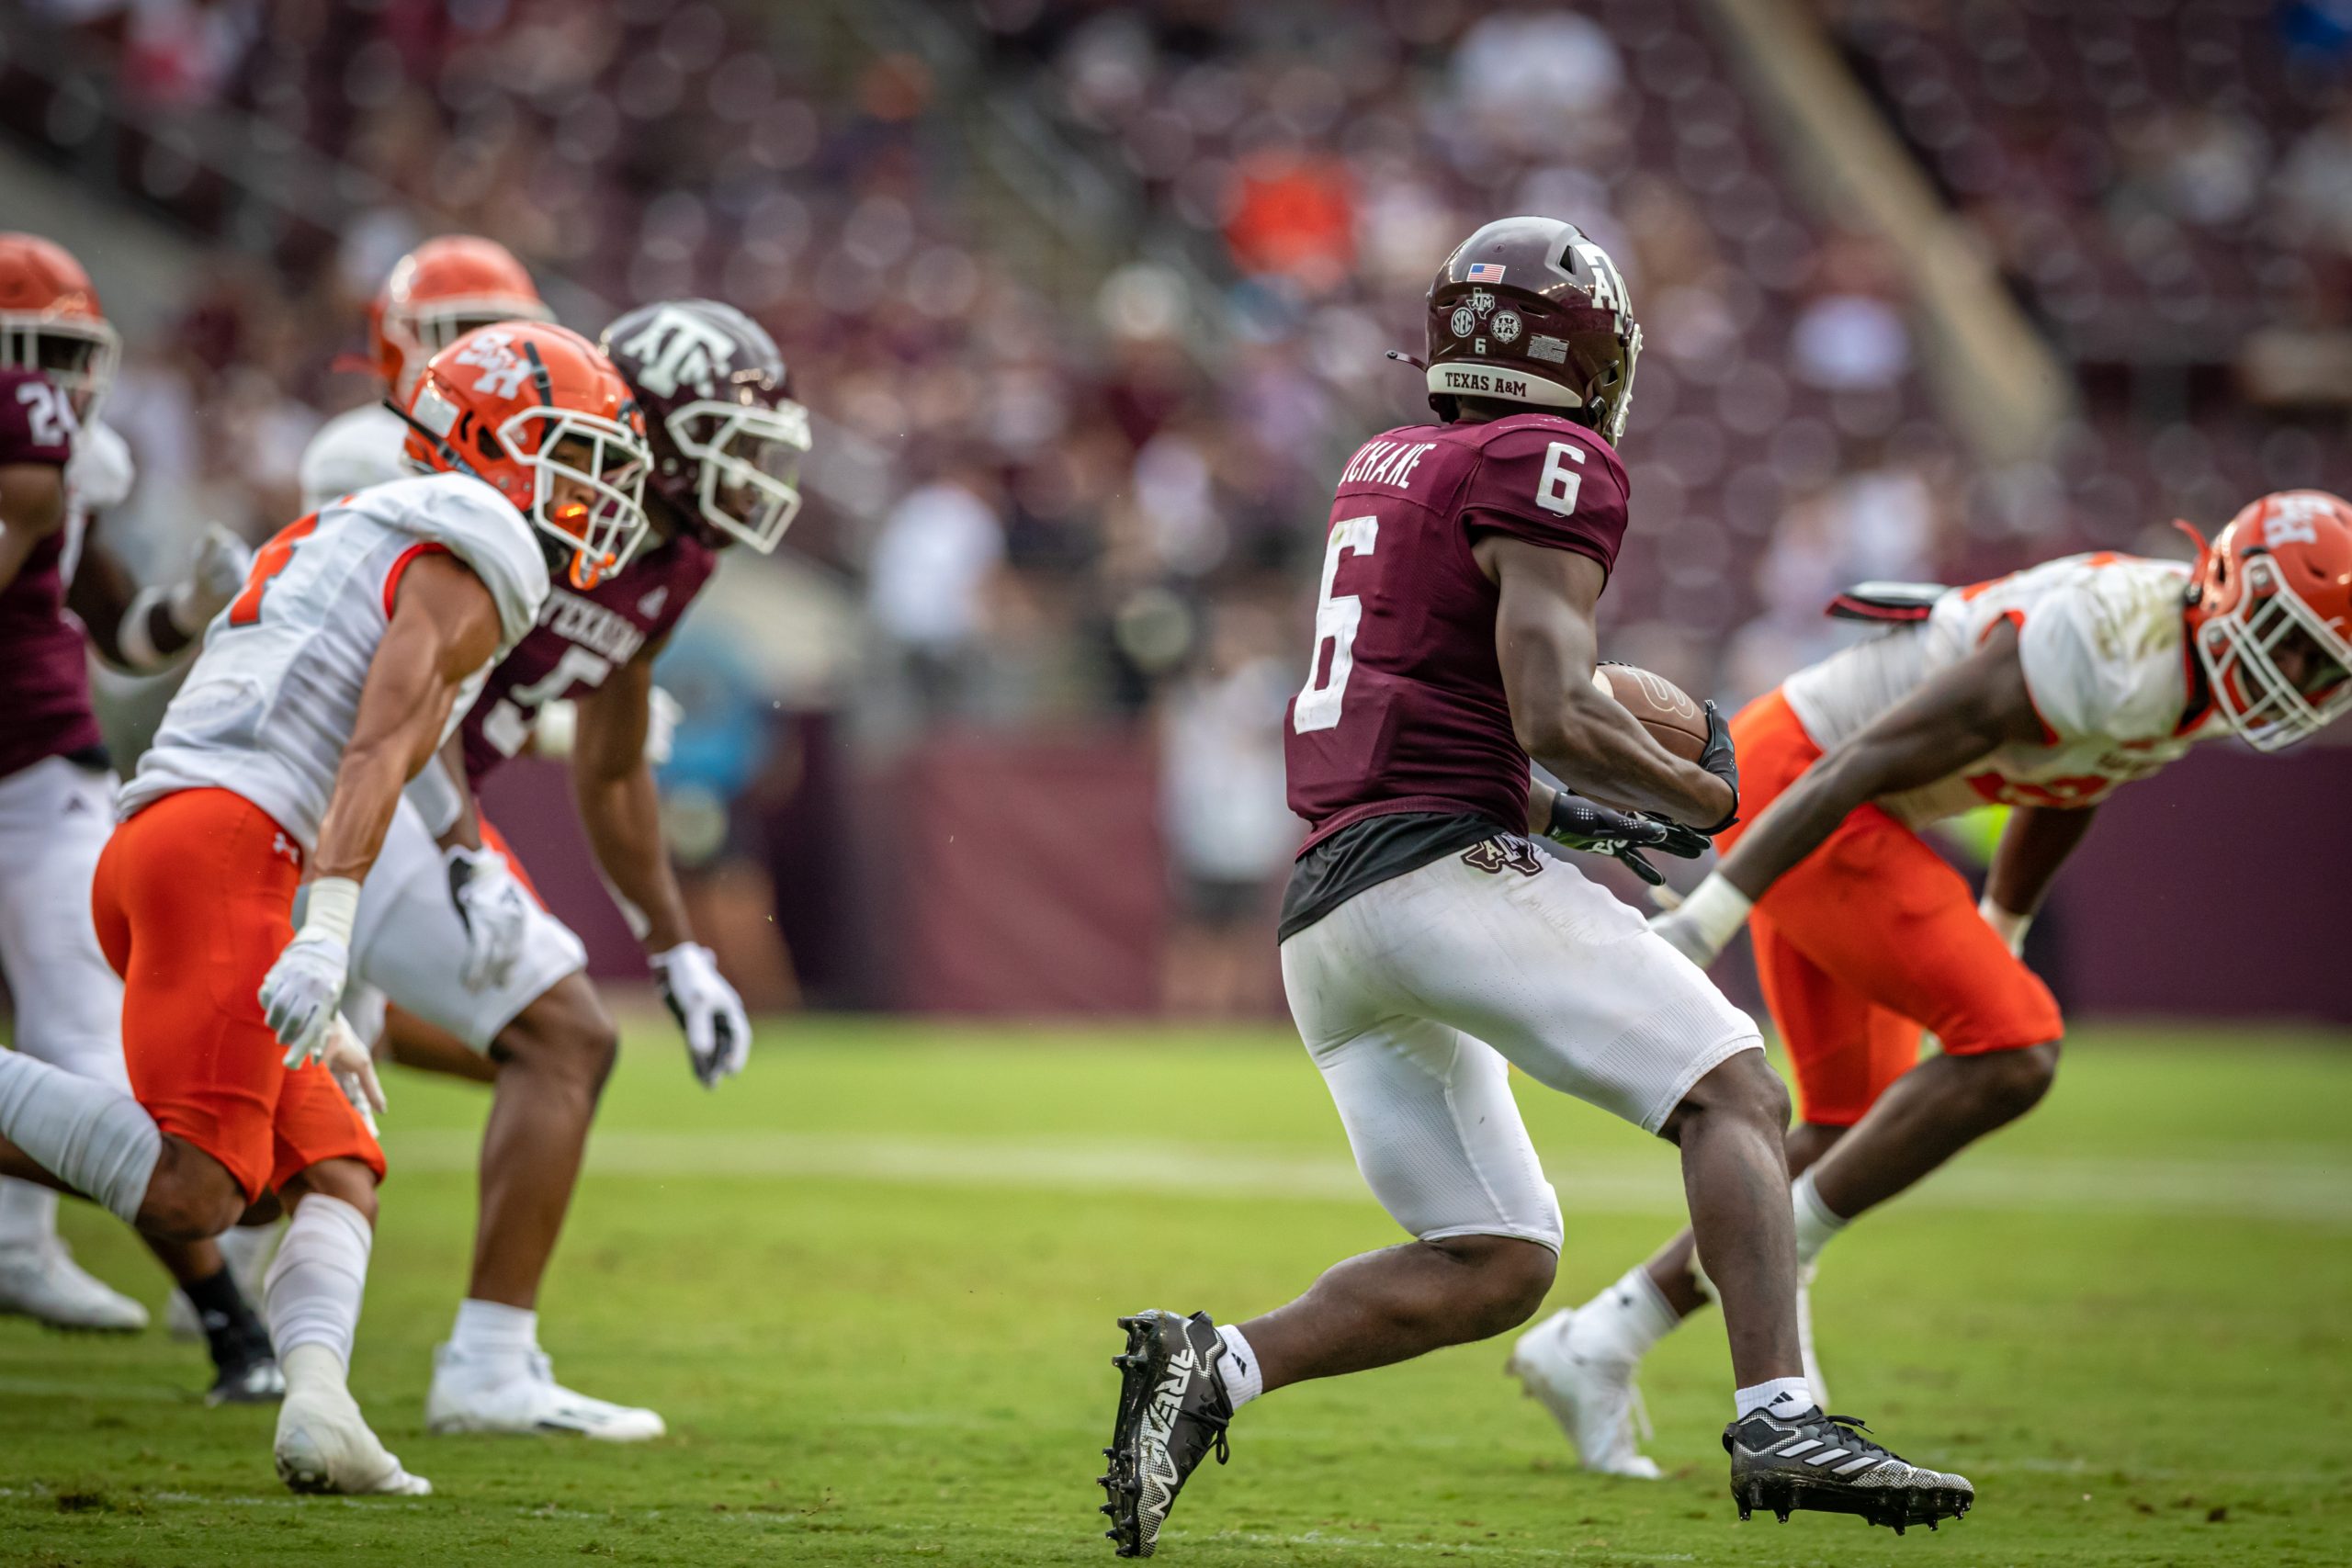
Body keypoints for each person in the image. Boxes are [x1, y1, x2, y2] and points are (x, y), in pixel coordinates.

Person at [1098, 218, 1973, 1558]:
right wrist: (1702, 795)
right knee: (1735, 1088)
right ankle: (1782, 1408)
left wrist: (1574, 807)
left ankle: (1211, 1367)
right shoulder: (1549, 457)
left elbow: (1426, 719)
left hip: (1332, 914)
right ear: (1590, 356)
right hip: (1435, 874)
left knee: (1497, 1253)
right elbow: (1554, 706)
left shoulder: (1384, 461)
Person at [1512, 494, 2352, 1477]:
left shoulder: (2185, 667)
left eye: (2320, 666)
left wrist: (2003, 927)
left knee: (1844, 1122)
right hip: (1809, 785)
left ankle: (1595, 1343)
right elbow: (1860, 761)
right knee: (2018, 1044)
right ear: (2227, 590)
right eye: (2289, 645)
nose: (2295, 678)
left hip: (1844, 799)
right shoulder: (2103, 638)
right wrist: (1708, 918)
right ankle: (1789, 1262)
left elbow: (2073, 781)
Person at [0, 319, 650, 1495]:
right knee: (202, 1186)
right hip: (229, 851)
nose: (593, 486)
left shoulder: (340, 530)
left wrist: (307, 960)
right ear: (492, 441)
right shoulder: (476, 536)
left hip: (180, 845)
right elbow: (377, 746)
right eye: (572, 450)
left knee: (341, 1159)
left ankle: (320, 1409)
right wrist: (327, 927)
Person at [303, 297, 804, 1438]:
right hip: (340, 798)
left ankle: (470, 1358)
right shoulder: (532, 504)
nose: (756, 470)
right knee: (212, 1130)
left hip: (411, 811)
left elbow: (615, 761)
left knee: (545, 1040)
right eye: (734, 435)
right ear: (665, 428)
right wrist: (465, 847)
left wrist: (678, 952)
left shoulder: (668, 556)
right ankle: (467, 1360)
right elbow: (402, 704)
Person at [0, 232, 283, 1403]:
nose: (53, 385)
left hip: (32, 778)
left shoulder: (72, 466)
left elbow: (118, 632)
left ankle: (226, 1321)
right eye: (33, 353)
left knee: (82, 1041)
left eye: (70, 355)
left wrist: (195, 607)